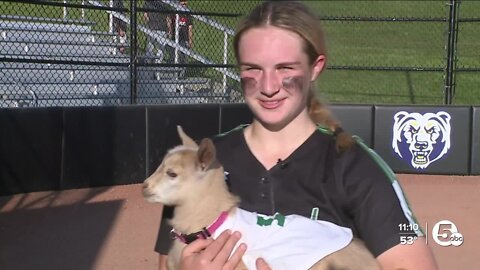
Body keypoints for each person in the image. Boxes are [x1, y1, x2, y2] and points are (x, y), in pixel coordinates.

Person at [153, 1, 439, 270]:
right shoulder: (200, 165)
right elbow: (167, 260)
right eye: (253, 69)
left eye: (285, 68)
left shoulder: (355, 167)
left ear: (315, 68)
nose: (268, 86)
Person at [170, 0, 194, 65]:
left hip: (184, 39)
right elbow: (169, 23)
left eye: (185, 2)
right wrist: (170, 33)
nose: (184, 3)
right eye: (182, 2)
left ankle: (181, 73)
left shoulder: (188, 14)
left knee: (183, 58)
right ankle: (174, 69)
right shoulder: (174, 13)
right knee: (174, 56)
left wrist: (190, 40)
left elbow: (190, 28)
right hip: (175, 38)